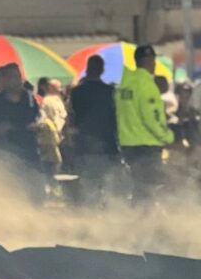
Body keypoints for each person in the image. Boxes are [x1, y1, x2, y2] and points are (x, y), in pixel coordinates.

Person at [115, 45, 173, 203]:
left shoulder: (125, 84)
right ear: (150, 61)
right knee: (148, 188)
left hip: (128, 143)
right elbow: (152, 117)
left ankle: (137, 213)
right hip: (147, 144)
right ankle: (144, 216)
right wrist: (167, 136)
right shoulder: (147, 84)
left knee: (138, 186)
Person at [69, 54, 119, 193]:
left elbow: (72, 118)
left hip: (83, 144)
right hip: (106, 144)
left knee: (87, 186)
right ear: (102, 70)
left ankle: (88, 207)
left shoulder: (76, 92)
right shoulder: (109, 92)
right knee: (108, 186)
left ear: (87, 69)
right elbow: (114, 118)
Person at [0, 63, 41, 167]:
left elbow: (36, 117)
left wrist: (37, 125)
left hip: (30, 149)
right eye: (13, 77)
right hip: (7, 152)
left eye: (19, 76)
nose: (17, 80)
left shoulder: (29, 97)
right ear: (5, 80)